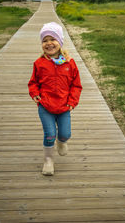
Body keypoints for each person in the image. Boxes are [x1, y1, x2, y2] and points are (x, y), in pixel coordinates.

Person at [28, 22, 82, 176]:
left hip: (64, 106)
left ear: (60, 42)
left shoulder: (69, 63)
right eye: (45, 40)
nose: (49, 43)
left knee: (65, 133)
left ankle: (62, 141)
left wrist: (72, 102)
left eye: (53, 39)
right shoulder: (39, 63)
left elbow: (76, 85)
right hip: (46, 106)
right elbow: (33, 82)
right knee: (50, 134)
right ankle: (48, 160)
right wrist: (34, 93)